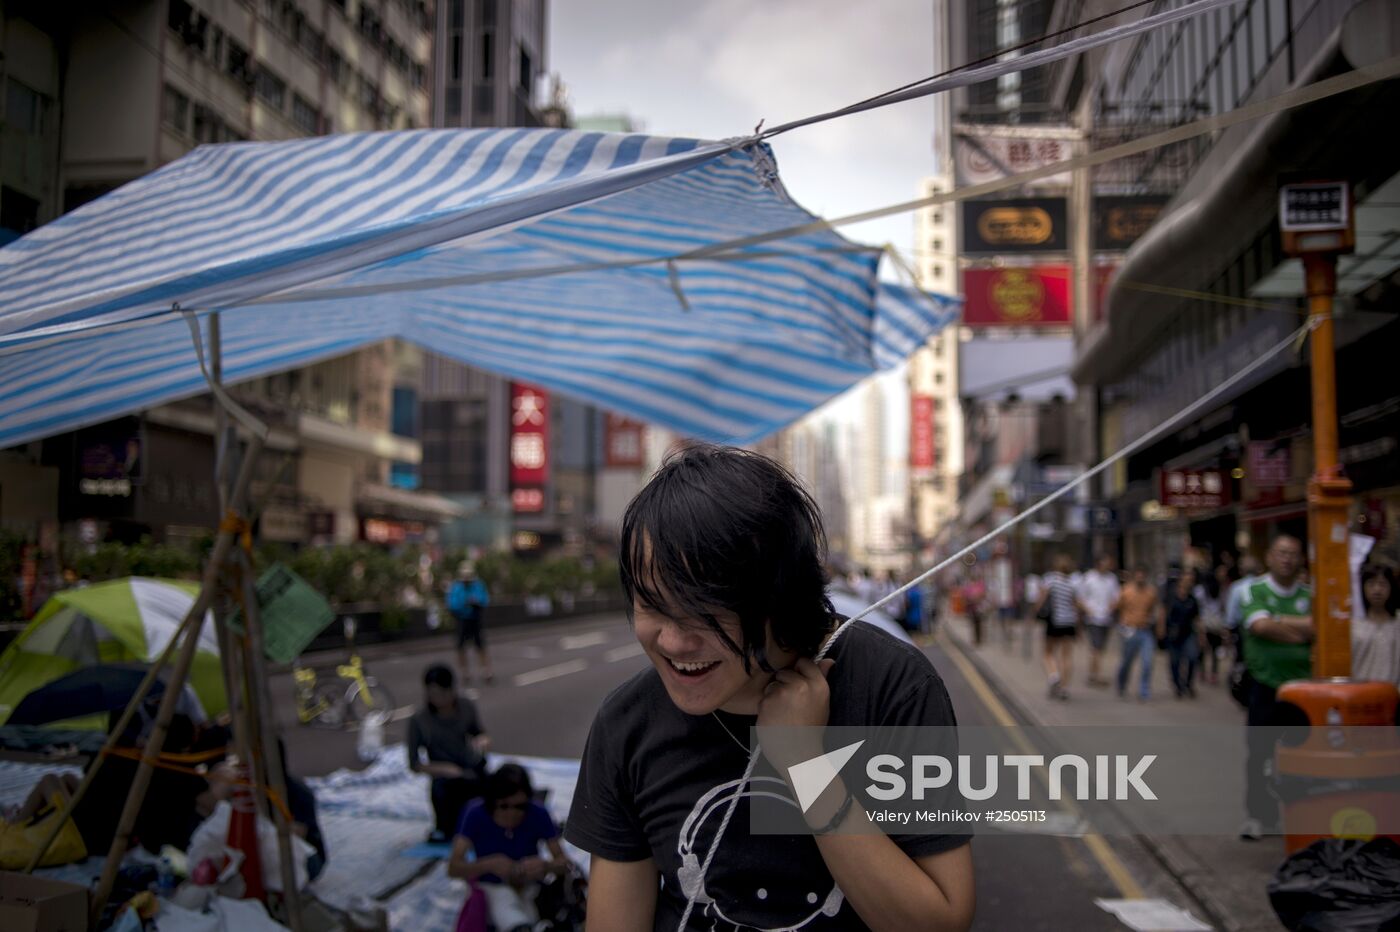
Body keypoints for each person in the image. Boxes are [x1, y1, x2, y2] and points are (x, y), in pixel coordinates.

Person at [564, 444, 975, 931]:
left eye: (706, 611)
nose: (674, 642)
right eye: (652, 606)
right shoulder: (628, 723)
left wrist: (806, 766)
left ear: (781, 594)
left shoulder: (890, 687)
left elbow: (940, 921)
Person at [1238, 535, 1312, 841]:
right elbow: (1260, 626)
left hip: (1303, 690)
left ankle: (1303, 816)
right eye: (1282, 553)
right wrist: (1300, 633)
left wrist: (1278, 622)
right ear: (1269, 557)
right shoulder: (1252, 590)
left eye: (1293, 554)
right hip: (1264, 686)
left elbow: (1320, 626)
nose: (1287, 559)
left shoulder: (1312, 594)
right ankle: (1260, 816)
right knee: (1259, 755)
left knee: (1302, 757)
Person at [448, 764, 572, 932]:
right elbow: (454, 867)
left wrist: (545, 866)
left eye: (520, 806)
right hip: (492, 887)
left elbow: (564, 863)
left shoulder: (538, 813)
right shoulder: (475, 813)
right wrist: (488, 865)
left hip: (530, 887)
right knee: (506, 907)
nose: (512, 813)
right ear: (493, 803)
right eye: (504, 806)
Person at [408, 665, 491, 843]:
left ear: (452, 690)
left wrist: (482, 740)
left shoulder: (466, 706)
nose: (437, 699)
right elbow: (414, 763)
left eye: (442, 694)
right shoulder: (419, 720)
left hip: (471, 765)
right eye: (432, 694)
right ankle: (445, 827)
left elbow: (478, 732)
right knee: (450, 826)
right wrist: (445, 769)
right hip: (444, 774)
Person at [1035, 554, 1082, 701]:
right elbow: (1076, 606)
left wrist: (1034, 614)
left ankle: (1054, 675)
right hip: (1069, 622)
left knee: (1048, 653)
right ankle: (1065, 688)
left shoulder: (1050, 580)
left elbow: (1041, 600)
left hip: (1054, 622)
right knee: (1066, 656)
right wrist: (1079, 626)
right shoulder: (1072, 583)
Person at [1115, 566, 1163, 702]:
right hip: (1129, 631)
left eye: (1143, 575)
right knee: (1126, 662)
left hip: (1145, 631)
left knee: (1147, 661)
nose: (1140, 578)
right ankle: (1121, 684)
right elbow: (1117, 608)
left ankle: (1144, 690)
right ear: (1135, 576)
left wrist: (1157, 625)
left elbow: (1156, 609)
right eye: (1138, 575)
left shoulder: (1151, 592)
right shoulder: (1126, 591)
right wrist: (1122, 624)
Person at [1077, 555, 1121, 688]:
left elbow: (1117, 597)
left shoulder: (1111, 579)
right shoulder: (1089, 578)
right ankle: (1095, 675)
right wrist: (1089, 610)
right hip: (1093, 618)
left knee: (1100, 648)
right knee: (1096, 647)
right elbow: (1080, 597)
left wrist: (1111, 608)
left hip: (1106, 618)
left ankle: (1093, 674)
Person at [1352, 563, 1400, 686]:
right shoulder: (1352, 622)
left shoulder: (1397, 621)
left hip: (1392, 694)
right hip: (1358, 693)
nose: (1377, 590)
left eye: (1383, 584)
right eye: (1371, 584)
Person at [448, 562, 493, 685]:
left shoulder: (478, 585)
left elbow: (485, 599)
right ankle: (465, 672)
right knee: (461, 647)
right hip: (462, 619)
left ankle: (486, 671)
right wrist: (464, 604)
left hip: (475, 618)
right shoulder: (456, 587)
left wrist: (476, 602)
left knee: (481, 646)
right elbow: (452, 604)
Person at [1163, 572, 1206, 699]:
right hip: (1173, 634)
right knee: (1175, 661)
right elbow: (1163, 612)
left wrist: (1201, 635)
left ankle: (1188, 683)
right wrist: (1161, 630)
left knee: (1192, 657)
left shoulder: (1192, 599)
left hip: (1189, 633)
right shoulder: (1171, 597)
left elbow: (1197, 618)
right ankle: (1178, 686)